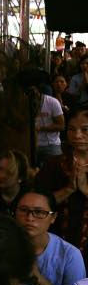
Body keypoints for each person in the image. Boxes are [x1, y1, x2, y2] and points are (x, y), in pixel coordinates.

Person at [14, 187, 86, 285]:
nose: (30, 218)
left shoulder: (70, 255)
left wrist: (39, 280)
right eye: (23, 210)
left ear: (53, 217)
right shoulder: (3, 246)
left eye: (39, 212)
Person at [35, 104, 88, 259]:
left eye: (85, 129)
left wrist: (86, 190)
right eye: (71, 129)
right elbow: (37, 205)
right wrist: (68, 189)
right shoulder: (54, 165)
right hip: (56, 243)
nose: (77, 135)